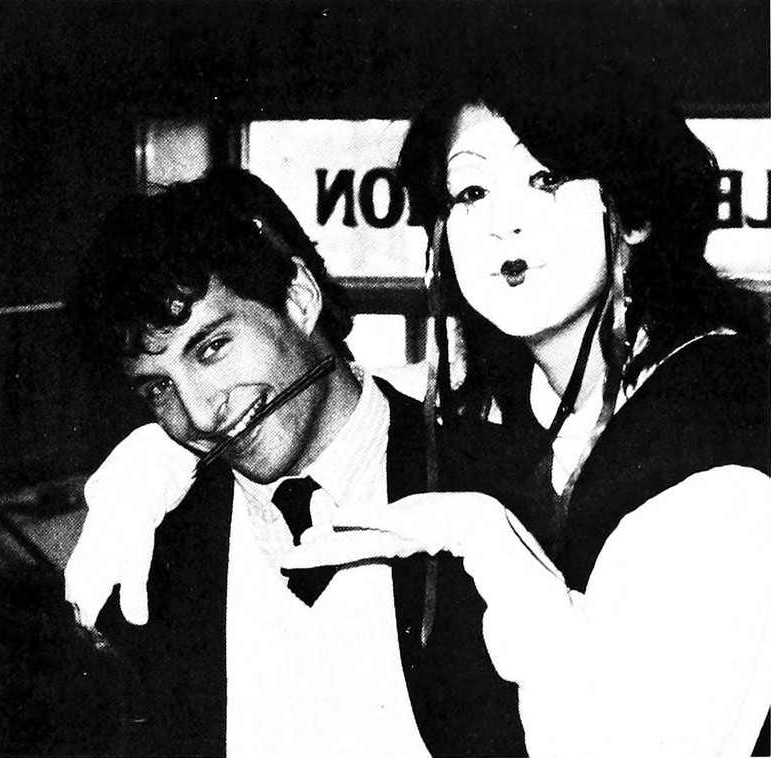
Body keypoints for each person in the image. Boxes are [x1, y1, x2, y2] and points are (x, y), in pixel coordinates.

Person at [283, 55, 771, 757]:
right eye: (471, 191)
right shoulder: (523, 389)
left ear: (635, 212)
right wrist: (164, 454)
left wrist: (491, 543)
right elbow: (347, 389)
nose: (502, 223)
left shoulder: (717, 428)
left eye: (546, 179)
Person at [66, 166, 522, 757]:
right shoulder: (154, 551)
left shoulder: (496, 488)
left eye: (212, 348)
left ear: (298, 300)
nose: (199, 414)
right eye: (158, 388)